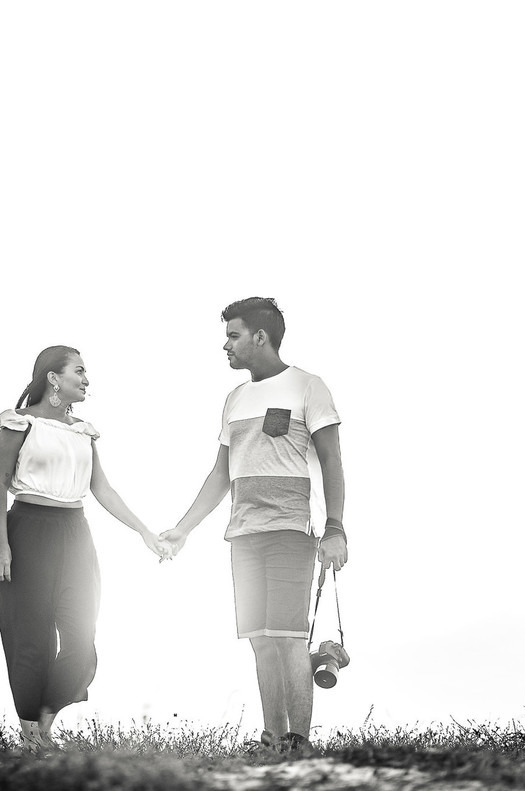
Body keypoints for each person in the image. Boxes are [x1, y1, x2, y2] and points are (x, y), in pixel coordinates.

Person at [159, 297, 347, 752]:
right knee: (261, 641)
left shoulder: (308, 386)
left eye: (233, 335)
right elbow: (221, 473)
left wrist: (336, 527)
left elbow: (332, 460)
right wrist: (183, 529)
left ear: (260, 337)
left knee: (287, 638)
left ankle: (297, 740)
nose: (226, 345)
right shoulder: (234, 399)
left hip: (291, 529)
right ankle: (271, 738)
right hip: (242, 533)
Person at [0, 345, 170, 751]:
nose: (87, 380)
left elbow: (101, 489)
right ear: (53, 378)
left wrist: (144, 531)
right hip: (26, 530)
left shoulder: (83, 430)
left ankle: (44, 723)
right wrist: (1, 543)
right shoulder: (20, 424)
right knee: (31, 639)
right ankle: (32, 736)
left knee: (81, 639)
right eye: (79, 371)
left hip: (75, 533)